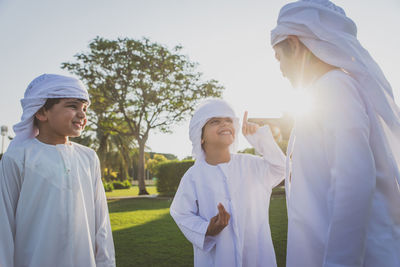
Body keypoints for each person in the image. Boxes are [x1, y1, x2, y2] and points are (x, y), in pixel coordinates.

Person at [270, 1, 400, 266]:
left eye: (278, 56)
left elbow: (354, 184)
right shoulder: (325, 91)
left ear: (294, 45)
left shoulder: (334, 88)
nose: (279, 68)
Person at [0, 74, 116, 267]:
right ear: (41, 112)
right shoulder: (18, 158)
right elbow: (3, 227)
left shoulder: (88, 158)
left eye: (85, 108)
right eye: (72, 106)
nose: (82, 114)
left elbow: (101, 225)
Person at [170, 98, 285, 267]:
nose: (224, 124)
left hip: (258, 258)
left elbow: (282, 168)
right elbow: (181, 213)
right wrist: (207, 229)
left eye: (229, 120)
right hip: (216, 260)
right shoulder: (193, 176)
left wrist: (259, 139)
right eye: (215, 121)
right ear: (200, 136)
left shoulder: (252, 164)